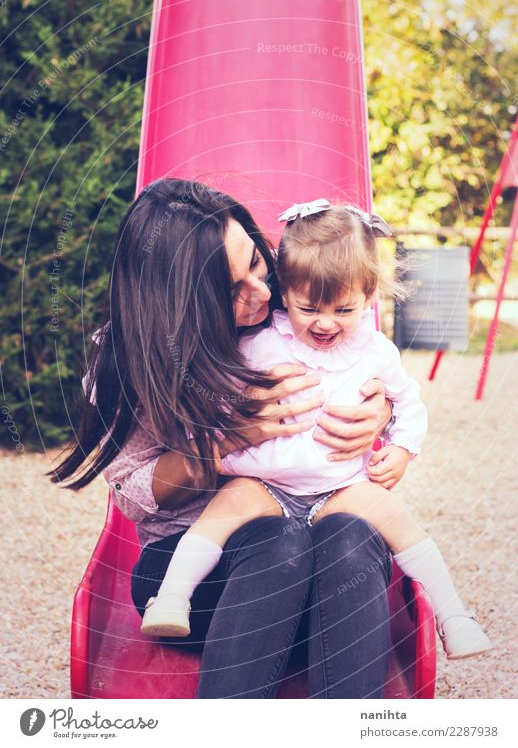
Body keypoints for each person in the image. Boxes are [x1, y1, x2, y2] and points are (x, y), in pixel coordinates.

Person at [49, 178, 395, 699]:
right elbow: (132, 492)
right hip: (197, 578)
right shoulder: (132, 357)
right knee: (278, 543)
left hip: (324, 587)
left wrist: (383, 412)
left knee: (351, 533)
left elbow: (367, 360)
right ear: (176, 300)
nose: (260, 292)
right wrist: (230, 442)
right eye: (230, 288)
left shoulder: (297, 304)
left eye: (257, 263)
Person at [141, 199, 492, 662]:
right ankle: (171, 598)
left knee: (397, 520)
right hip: (268, 483)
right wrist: (232, 420)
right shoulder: (261, 343)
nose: (326, 323)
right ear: (285, 293)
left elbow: (409, 403)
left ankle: (454, 618)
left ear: (369, 299)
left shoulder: (377, 353)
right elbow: (218, 394)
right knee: (225, 508)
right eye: (310, 308)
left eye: (344, 310)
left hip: (339, 485)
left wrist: (403, 448)